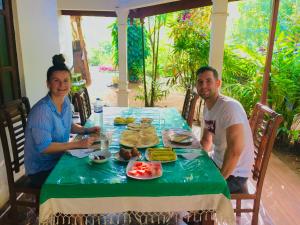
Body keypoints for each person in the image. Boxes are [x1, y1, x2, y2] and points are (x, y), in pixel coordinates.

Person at [24, 54, 99, 188]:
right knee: (82, 178)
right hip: (42, 169)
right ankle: (66, 208)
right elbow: (44, 147)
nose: (62, 85)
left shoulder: (65, 100)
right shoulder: (42, 111)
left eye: (65, 81)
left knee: (92, 165)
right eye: (56, 81)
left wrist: (87, 130)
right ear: (48, 83)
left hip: (59, 159)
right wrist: (77, 144)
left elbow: (67, 125)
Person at [196, 66, 254, 194]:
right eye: (200, 82)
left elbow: (235, 150)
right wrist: (195, 161)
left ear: (218, 83)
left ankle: (201, 213)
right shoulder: (208, 106)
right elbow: (206, 141)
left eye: (208, 81)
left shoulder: (229, 107)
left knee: (198, 190)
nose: (203, 85)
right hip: (217, 161)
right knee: (186, 173)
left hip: (234, 174)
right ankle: (196, 210)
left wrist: (218, 182)